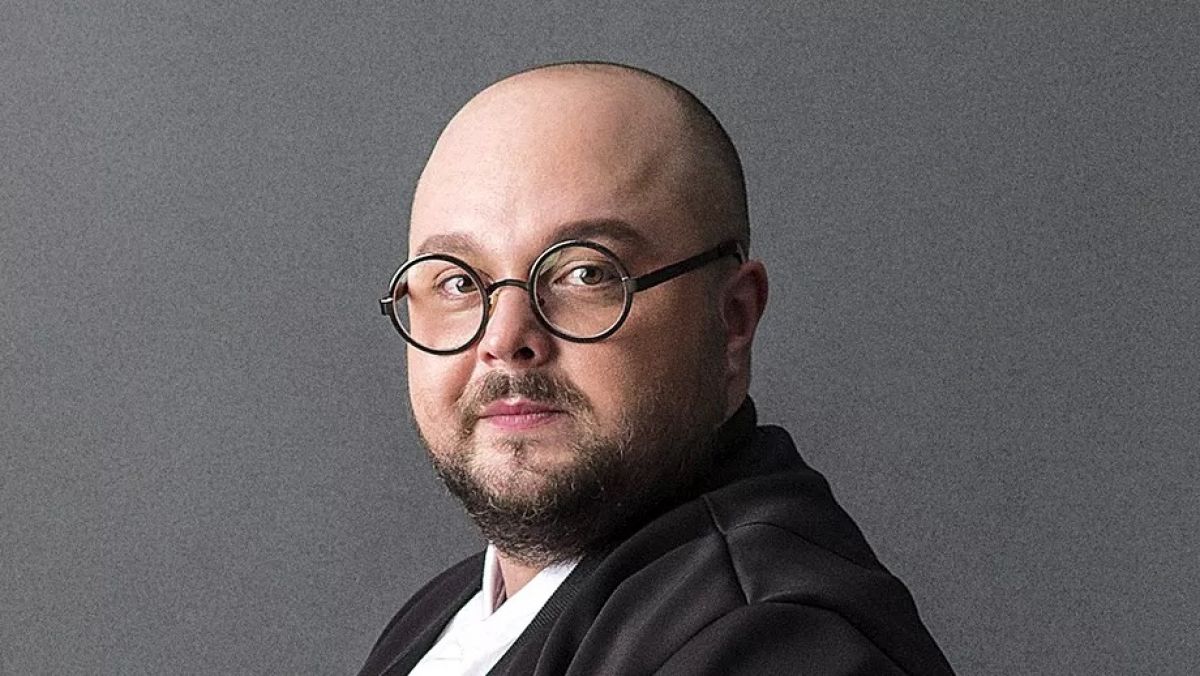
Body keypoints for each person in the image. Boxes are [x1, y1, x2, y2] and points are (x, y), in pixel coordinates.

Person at [361, 61, 953, 675]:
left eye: (586, 273)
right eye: (458, 282)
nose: (505, 338)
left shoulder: (770, 643)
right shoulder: (449, 614)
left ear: (731, 320)